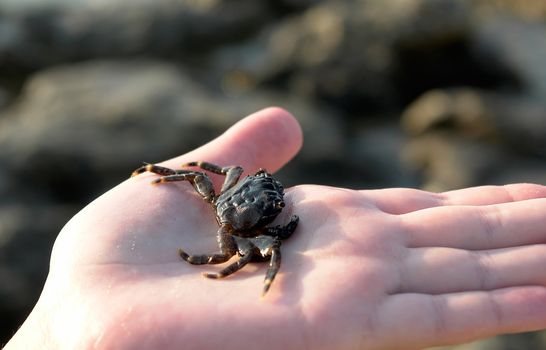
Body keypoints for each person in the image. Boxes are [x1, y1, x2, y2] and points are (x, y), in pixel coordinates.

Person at [4, 107, 546, 350]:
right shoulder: (239, 216)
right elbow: (213, 181)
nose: (277, 197)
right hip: (230, 224)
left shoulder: (239, 190)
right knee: (223, 229)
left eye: (275, 198)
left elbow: (217, 178)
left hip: (229, 216)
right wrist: (253, 254)